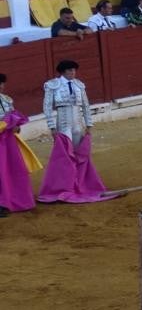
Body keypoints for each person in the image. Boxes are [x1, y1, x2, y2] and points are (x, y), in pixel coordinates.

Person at [38, 60, 109, 203]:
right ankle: (65, 186)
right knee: (65, 157)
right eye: (70, 70)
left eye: (74, 70)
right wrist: (52, 127)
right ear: (63, 72)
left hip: (77, 124)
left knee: (80, 155)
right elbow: (47, 108)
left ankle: (79, 184)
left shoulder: (79, 84)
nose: (73, 73)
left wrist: (88, 125)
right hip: (63, 124)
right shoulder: (52, 85)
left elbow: (86, 105)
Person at [0, 72, 40, 216]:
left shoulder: (6, 100)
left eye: (2, 83)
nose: (1, 86)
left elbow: (14, 118)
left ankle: (15, 200)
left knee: (13, 169)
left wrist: (17, 126)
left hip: (9, 140)